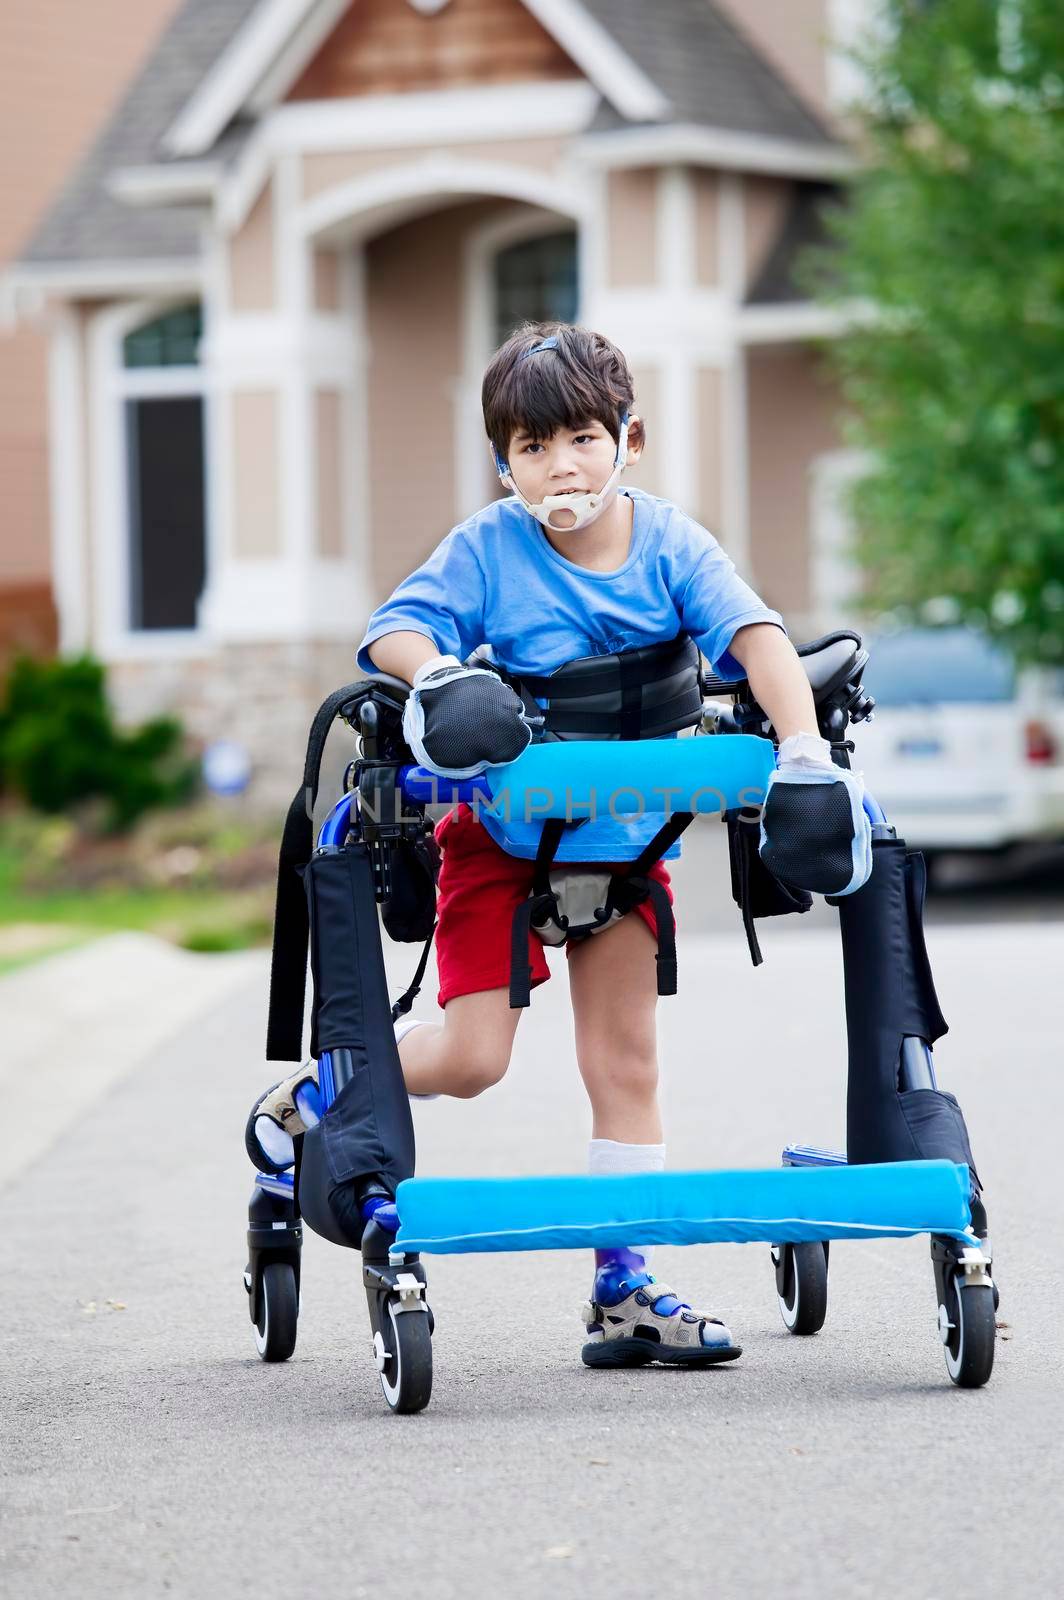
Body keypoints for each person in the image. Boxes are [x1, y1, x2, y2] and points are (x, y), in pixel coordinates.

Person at [247, 322, 871, 1368]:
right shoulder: (489, 546)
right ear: (503, 463)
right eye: (531, 448)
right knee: (474, 1057)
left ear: (628, 440)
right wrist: (439, 675)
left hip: (627, 840)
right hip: (502, 840)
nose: (558, 466)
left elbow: (758, 639)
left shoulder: (671, 543)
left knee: (624, 1061)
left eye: (580, 438)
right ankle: (310, 1099)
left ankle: (623, 1289)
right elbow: (392, 630)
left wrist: (801, 749)